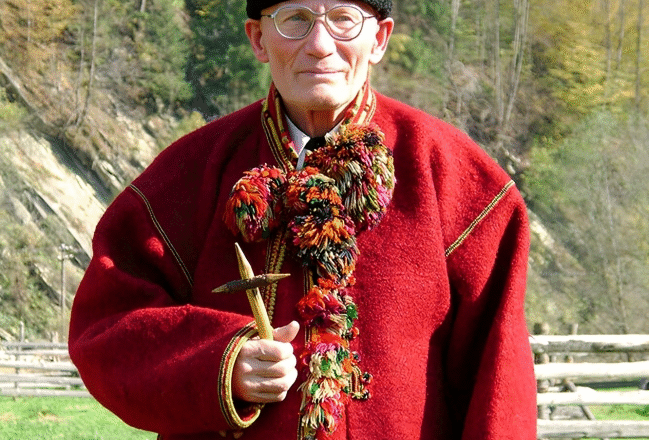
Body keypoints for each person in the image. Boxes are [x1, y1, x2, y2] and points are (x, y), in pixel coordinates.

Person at [68, 0, 537, 439]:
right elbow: (105, 329)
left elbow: (500, 390)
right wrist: (220, 363)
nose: (319, 44)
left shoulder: (462, 183)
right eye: (295, 19)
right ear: (257, 39)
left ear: (379, 39)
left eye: (343, 19)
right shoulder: (188, 174)